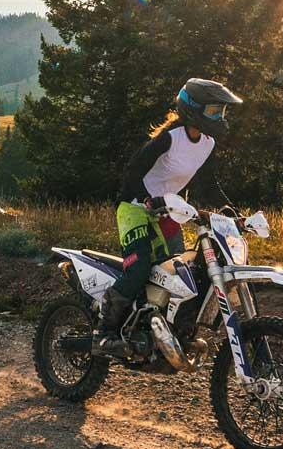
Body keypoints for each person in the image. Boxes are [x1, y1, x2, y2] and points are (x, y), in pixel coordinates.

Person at [95, 78, 242, 351]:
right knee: (139, 267)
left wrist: (233, 214)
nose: (219, 117)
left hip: (169, 212)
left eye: (221, 112)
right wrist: (147, 199)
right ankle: (105, 331)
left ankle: (169, 331)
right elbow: (132, 171)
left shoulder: (207, 143)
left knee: (180, 274)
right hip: (135, 208)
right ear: (192, 109)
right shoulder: (168, 139)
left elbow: (209, 185)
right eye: (213, 111)